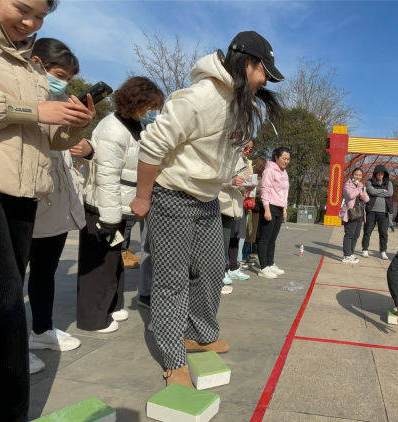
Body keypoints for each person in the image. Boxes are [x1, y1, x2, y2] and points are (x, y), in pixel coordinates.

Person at [0, 0, 95, 418]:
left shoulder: (28, 62)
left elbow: (47, 135)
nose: (31, 22)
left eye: (41, 17)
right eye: (23, 9)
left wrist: (72, 122)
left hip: (20, 190)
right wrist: (33, 109)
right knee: (3, 305)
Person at [130, 31, 283, 387]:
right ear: (248, 64)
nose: (265, 83)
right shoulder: (199, 98)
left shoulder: (237, 102)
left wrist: (232, 176)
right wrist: (142, 196)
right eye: (264, 73)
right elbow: (152, 145)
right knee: (172, 281)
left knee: (214, 269)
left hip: (206, 200)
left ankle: (199, 332)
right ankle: (173, 357)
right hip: (172, 196)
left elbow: (216, 154)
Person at [78, 76, 165, 333]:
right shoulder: (112, 129)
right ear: (135, 102)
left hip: (122, 209)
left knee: (115, 260)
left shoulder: (136, 128)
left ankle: (113, 306)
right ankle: (94, 319)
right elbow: (106, 177)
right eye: (150, 106)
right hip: (104, 209)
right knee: (99, 266)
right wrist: (110, 218)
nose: (153, 112)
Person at [27, 38, 90, 357]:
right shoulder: (21, 97)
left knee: (43, 272)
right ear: (36, 64)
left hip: (54, 205)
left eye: (68, 77)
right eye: (59, 73)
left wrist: (79, 133)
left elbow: (61, 153)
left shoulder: (63, 103)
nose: (63, 82)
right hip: (23, 199)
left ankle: (41, 329)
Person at [219, 142, 256, 292]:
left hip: (233, 207)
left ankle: (224, 271)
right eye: (245, 147)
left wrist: (247, 186)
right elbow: (211, 178)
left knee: (228, 240)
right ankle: (218, 276)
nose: (247, 151)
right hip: (220, 204)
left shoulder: (241, 161)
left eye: (250, 149)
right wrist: (231, 181)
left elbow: (239, 183)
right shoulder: (222, 154)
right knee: (219, 243)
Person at [257, 147, 291, 278]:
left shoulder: (284, 172)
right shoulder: (269, 170)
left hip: (279, 207)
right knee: (265, 238)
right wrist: (266, 209)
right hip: (269, 206)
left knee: (273, 239)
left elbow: (284, 192)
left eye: (288, 159)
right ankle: (263, 268)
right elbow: (265, 189)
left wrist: (284, 208)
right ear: (276, 157)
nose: (286, 161)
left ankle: (270, 263)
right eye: (283, 158)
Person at [362, 165, 394, 259]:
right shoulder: (369, 182)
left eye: (382, 174)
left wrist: (376, 191)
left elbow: (390, 193)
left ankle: (383, 251)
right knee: (367, 231)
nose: (380, 175)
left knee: (383, 233)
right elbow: (371, 192)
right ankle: (365, 249)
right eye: (378, 174)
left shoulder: (389, 183)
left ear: (384, 174)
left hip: (384, 212)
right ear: (375, 174)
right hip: (371, 211)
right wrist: (382, 191)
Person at [339, 167, 369, 263]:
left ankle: (351, 253)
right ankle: (346, 255)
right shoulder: (348, 184)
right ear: (352, 175)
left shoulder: (361, 186)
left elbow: (367, 199)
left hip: (359, 212)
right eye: (356, 174)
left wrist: (363, 194)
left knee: (356, 235)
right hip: (350, 213)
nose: (358, 176)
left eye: (360, 175)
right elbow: (350, 195)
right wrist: (359, 188)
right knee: (349, 234)